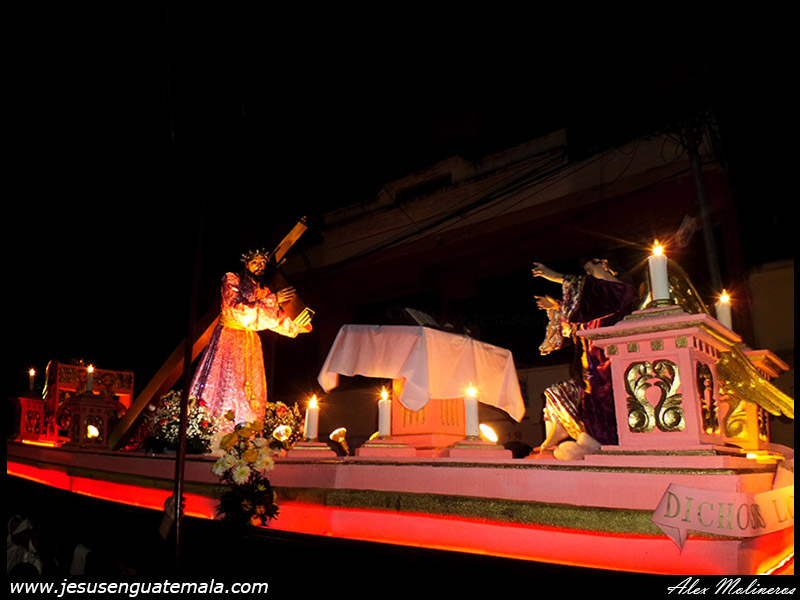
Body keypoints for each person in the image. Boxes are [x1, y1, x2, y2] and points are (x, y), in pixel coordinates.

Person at [188, 248, 312, 452]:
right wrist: (273, 300)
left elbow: (275, 320)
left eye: (263, 263)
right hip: (229, 339)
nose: (260, 266)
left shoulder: (263, 291)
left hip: (251, 343)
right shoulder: (232, 281)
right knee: (226, 385)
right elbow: (238, 310)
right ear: (246, 264)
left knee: (251, 390)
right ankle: (215, 433)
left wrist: (298, 323)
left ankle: (247, 435)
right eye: (255, 262)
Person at [532, 255, 638, 459]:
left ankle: (608, 442)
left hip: (609, 362)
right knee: (562, 395)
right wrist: (557, 308)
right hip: (590, 363)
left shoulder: (622, 291)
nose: (588, 278)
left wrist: (556, 276)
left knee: (606, 401)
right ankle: (584, 437)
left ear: (605, 264)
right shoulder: (600, 301)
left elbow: (597, 296)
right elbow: (579, 317)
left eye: (590, 271)